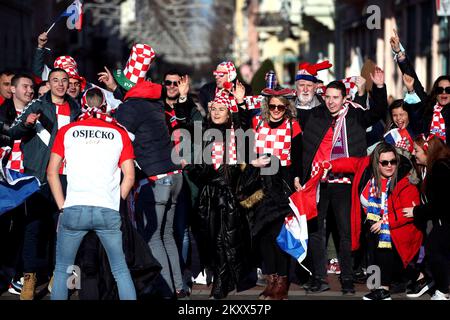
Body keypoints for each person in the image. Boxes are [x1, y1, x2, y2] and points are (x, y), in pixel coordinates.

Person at [294, 69, 388, 295]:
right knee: (316, 231)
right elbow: (300, 147)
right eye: (328, 97)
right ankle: (318, 277)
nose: (331, 102)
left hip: (346, 182)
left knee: (345, 231)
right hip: (318, 182)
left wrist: (379, 88)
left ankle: (347, 279)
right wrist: (300, 176)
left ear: (344, 98)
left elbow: (377, 112)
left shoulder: (355, 114)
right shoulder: (315, 115)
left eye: (336, 97)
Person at [47, 87, 136, 300]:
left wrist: (62, 205)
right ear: (105, 104)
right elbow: (130, 176)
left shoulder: (68, 130)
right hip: (107, 208)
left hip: (74, 206)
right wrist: (116, 200)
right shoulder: (119, 133)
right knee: (120, 270)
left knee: (62, 270)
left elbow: (51, 173)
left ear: (84, 103)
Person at [113, 44, 185, 299]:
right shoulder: (154, 103)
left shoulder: (129, 107)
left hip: (154, 179)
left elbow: (119, 142)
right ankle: (179, 286)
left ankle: (164, 292)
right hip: (174, 176)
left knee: (153, 237)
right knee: (167, 235)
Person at [8, 68, 80, 300]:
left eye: (64, 80)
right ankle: (29, 278)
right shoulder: (37, 105)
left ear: (69, 83)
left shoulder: (76, 108)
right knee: (34, 228)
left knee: (60, 230)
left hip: (65, 177)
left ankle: (55, 276)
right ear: (49, 83)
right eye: (55, 80)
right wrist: (27, 124)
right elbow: (14, 132)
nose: (60, 84)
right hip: (38, 177)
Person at [326, 142, 422, 300]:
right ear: (376, 163)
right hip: (372, 224)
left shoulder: (405, 181)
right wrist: (329, 164)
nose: (390, 166)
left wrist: (385, 222)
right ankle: (380, 287)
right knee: (372, 257)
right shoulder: (366, 168)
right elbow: (350, 163)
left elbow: (407, 213)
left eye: (393, 161)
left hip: (399, 230)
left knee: (384, 252)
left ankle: (384, 290)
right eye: (384, 162)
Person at [184, 92, 251, 300]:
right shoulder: (204, 133)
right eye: (214, 109)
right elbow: (200, 167)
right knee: (210, 240)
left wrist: (239, 103)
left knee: (225, 241)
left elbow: (245, 132)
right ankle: (224, 277)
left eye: (222, 109)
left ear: (229, 113)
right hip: (208, 195)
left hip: (229, 196)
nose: (216, 113)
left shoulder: (235, 133)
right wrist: (193, 167)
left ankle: (221, 285)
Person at [245, 87, 301, 300]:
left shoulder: (292, 125)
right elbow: (248, 149)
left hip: (282, 183)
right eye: (273, 106)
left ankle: (282, 283)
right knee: (264, 235)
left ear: (287, 108)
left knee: (279, 235)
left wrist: (296, 178)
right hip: (261, 182)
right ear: (267, 107)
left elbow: (298, 155)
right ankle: (271, 280)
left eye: (280, 106)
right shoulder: (257, 122)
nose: (276, 110)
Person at [403, 136, 450, 300]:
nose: (413, 153)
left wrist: (415, 211)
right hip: (443, 219)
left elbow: (440, 203)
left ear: (427, 150)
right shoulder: (432, 168)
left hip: (445, 220)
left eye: (416, 150)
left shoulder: (440, 168)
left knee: (435, 249)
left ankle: (442, 290)